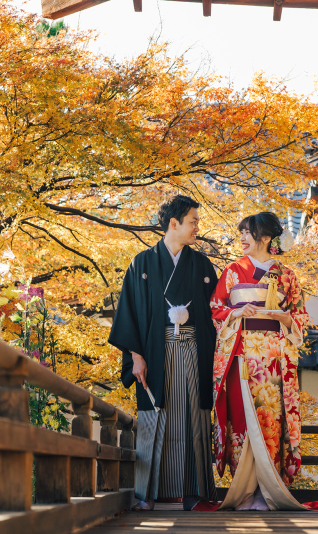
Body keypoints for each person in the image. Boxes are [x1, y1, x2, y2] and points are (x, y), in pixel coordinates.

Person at [108, 195, 219, 512]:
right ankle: (147, 494)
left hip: (193, 350)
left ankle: (194, 494)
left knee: (192, 417)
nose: (197, 227)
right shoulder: (141, 264)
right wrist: (135, 356)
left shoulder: (200, 265)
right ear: (174, 223)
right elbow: (128, 312)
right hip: (154, 351)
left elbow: (216, 311)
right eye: (193, 221)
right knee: (154, 418)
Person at [210, 212, 308, 511]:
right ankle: (244, 493)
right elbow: (216, 307)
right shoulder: (232, 271)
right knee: (241, 420)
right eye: (240, 232)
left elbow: (301, 316)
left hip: (273, 360)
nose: (241, 238)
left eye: (247, 233)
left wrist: (286, 317)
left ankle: (267, 492)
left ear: (265, 238)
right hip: (241, 354)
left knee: (270, 422)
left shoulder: (287, 274)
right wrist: (236, 312)